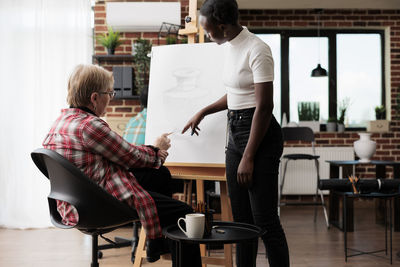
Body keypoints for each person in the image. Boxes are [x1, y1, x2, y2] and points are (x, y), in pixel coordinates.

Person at [43, 64, 201, 266]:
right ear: (94, 98)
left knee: (159, 174)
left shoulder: (60, 122)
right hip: (97, 203)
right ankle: (158, 237)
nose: (112, 98)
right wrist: (157, 149)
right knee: (185, 212)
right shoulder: (90, 125)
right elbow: (130, 156)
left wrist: (151, 156)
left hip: (73, 201)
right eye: (109, 93)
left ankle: (156, 238)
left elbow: (121, 152)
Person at [182, 0, 290, 266]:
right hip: (235, 133)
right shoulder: (230, 47)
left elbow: (264, 106)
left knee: (265, 220)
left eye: (208, 29)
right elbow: (236, 94)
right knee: (241, 222)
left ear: (222, 25)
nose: (207, 34)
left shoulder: (257, 49)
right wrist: (203, 111)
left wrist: (249, 156)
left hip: (260, 137)